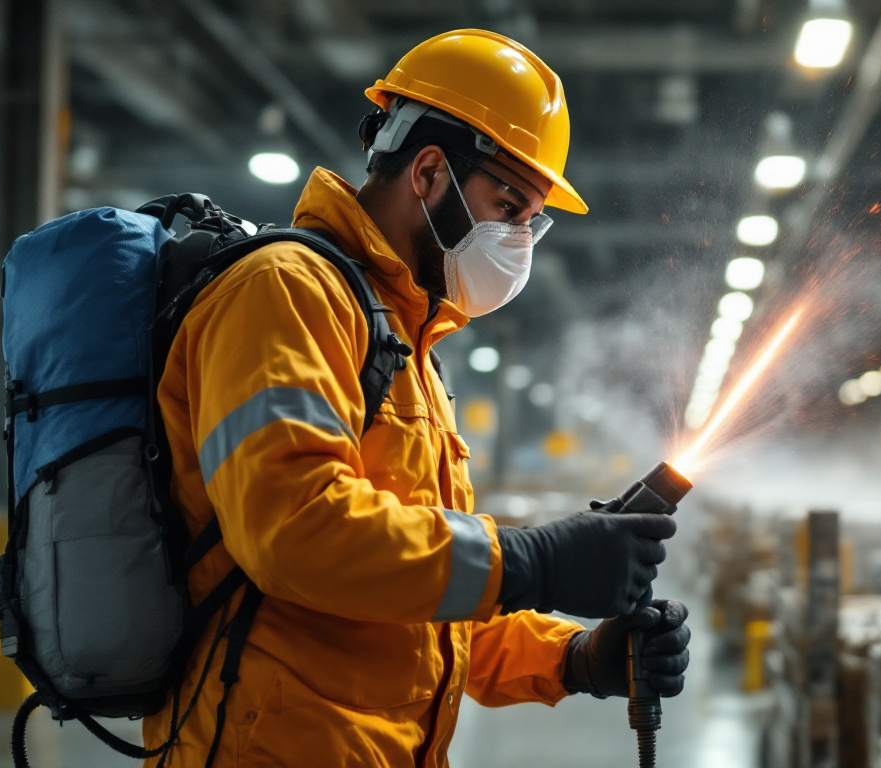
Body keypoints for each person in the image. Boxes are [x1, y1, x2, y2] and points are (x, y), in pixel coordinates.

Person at [142, 29, 691, 767]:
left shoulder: (404, 348)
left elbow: (417, 600)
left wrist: (577, 657)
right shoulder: (286, 292)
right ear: (430, 171)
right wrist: (529, 561)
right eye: (510, 203)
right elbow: (294, 531)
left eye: (533, 219)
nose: (521, 238)